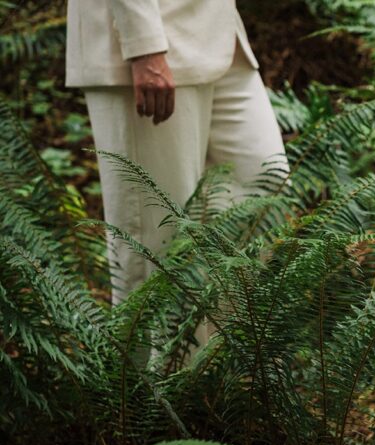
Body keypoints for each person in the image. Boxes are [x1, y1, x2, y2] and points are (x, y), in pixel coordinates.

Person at [65, 0, 288, 305]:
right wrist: (143, 44)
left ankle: (224, 349)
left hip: (217, 34)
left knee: (263, 183)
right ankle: (160, 353)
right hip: (145, 44)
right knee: (161, 238)